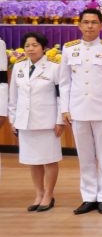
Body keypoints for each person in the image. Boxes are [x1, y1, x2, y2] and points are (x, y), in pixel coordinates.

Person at [60, 8, 102, 215]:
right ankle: (88, 197)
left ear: (101, 26)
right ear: (79, 25)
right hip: (78, 110)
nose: (89, 26)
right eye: (86, 22)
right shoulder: (69, 49)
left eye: (94, 22)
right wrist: (65, 108)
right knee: (84, 156)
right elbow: (64, 82)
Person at [10, 32, 63, 211]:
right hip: (25, 122)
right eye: (27, 45)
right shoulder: (18, 67)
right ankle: (39, 194)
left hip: (47, 122)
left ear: (43, 48)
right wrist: (13, 119)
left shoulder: (54, 67)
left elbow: (60, 97)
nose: (31, 49)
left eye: (35, 45)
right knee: (33, 160)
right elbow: (13, 97)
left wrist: (60, 120)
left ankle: (49, 195)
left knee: (49, 160)